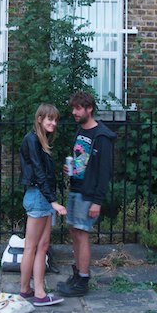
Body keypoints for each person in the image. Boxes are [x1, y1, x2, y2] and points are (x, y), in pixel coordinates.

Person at [58, 91, 116, 297]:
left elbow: (104, 172)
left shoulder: (102, 136)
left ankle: (82, 281)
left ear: (89, 109)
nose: (74, 112)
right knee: (74, 231)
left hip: (88, 194)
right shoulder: (81, 130)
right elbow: (82, 161)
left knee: (82, 234)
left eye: (78, 108)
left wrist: (97, 201)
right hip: (76, 188)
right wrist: (71, 169)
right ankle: (77, 273)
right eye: (73, 108)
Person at [19, 103, 68, 306]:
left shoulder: (42, 140)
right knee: (32, 247)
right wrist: (53, 202)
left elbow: (44, 173)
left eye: (55, 120)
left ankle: (29, 290)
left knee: (42, 246)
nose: (53, 123)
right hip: (39, 197)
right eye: (50, 119)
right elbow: (38, 173)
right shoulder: (32, 140)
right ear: (39, 119)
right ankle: (37, 293)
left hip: (42, 197)